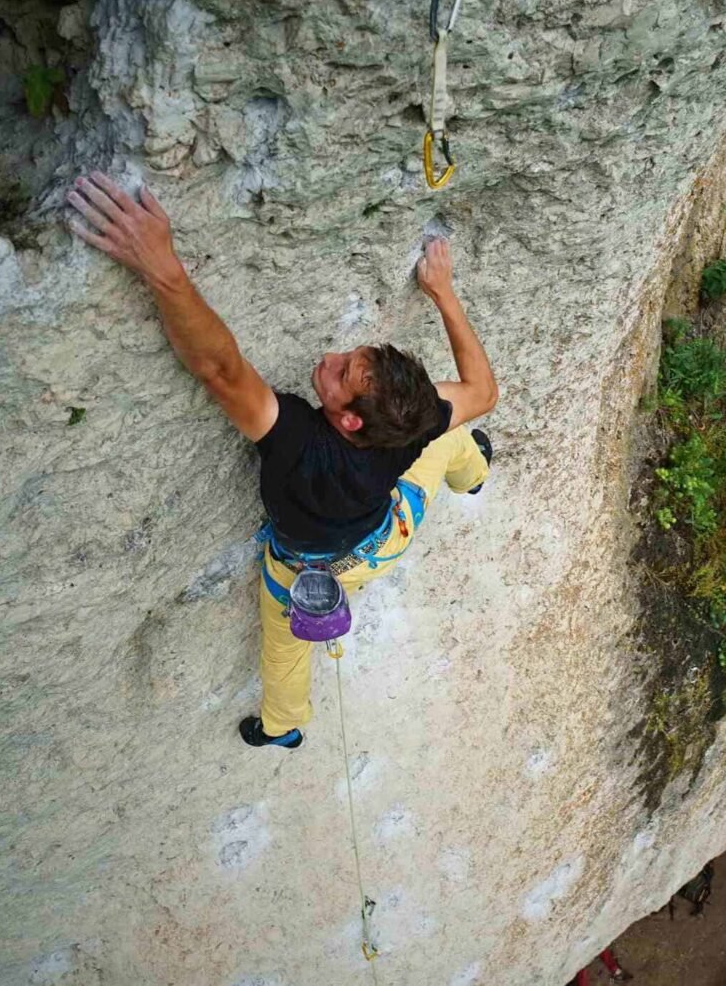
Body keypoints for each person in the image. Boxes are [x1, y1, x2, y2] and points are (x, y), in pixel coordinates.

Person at [64, 171, 498, 750]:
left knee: (285, 649)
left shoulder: (295, 439)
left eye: (342, 373)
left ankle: (283, 725)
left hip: (305, 570)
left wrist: (162, 268)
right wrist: (444, 293)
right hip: (389, 534)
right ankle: (474, 474)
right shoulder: (408, 424)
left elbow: (221, 369)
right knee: (447, 436)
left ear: (350, 421)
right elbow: (483, 392)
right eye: (351, 356)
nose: (330, 357)